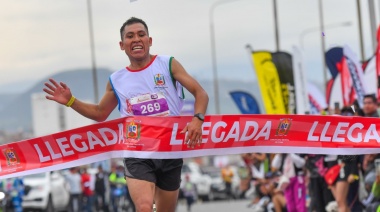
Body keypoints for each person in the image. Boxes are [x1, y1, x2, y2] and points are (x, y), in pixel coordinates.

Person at [43, 17, 209, 212]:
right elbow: (99, 113)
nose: (136, 39)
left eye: (141, 34)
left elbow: (201, 94)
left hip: (169, 150)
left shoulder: (168, 64)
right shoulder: (117, 80)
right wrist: (71, 101)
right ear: (122, 45)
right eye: (130, 36)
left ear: (150, 40)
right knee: (145, 207)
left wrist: (198, 119)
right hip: (137, 152)